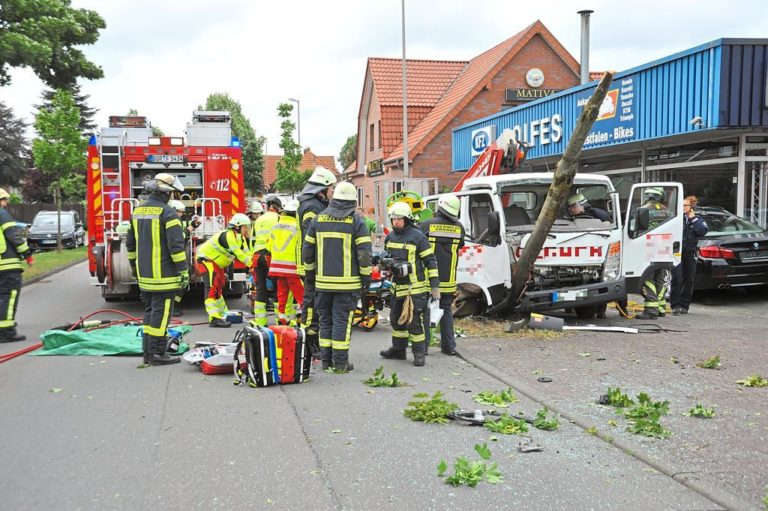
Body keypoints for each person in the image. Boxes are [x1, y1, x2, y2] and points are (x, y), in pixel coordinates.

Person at [303, 181, 372, 372]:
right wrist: (365, 278)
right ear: (353, 201)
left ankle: (326, 361)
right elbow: (364, 255)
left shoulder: (318, 220)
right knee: (341, 321)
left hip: (322, 283)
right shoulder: (357, 222)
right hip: (347, 285)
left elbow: (307, 251)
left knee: (325, 320)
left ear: (334, 198)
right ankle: (340, 363)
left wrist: (310, 275)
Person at [126, 173, 188, 365]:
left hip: (145, 276)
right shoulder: (169, 213)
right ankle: (157, 354)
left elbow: (130, 244)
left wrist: (134, 269)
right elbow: (176, 247)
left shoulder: (137, 211)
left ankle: (147, 352)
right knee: (161, 316)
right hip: (165, 278)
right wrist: (183, 271)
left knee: (150, 313)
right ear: (168, 193)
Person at [380, 201, 439, 367]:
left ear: (407, 219)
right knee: (396, 320)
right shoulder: (390, 237)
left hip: (415, 288)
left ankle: (419, 353)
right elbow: (387, 259)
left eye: (399, 219)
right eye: (393, 219)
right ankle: (398, 350)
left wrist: (434, 286)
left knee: (414, 323)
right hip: (397, 287)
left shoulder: (418, 236)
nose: (396, 222)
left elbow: (430, 261)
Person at [298, 166, 337, 358]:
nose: (332, 192)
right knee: (312, 303)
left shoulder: (314, 204)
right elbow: (310, 237)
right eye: (331, 188)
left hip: (314, 262)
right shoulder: (312, 207)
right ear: (322, 189)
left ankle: (314, 340)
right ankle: (310, 343)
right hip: (312, 263)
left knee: (315, 301)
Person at [420, 193, 465, 356]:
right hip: (448, 279)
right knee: (446, 310)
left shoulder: (426, 224)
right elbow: (460, 245)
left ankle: (423, 347)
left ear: (440, 206)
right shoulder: (459, 227)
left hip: (428, 278)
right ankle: (449, 347)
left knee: (425, 311)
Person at [195, 213, 253, 328]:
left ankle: (223, 314)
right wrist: (254, 265)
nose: (247, 229)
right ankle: (214, 318)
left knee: (219, 287)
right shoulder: (228, 236)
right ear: (237, 226)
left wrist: (254, 261)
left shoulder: (240, 238)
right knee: (212, 288)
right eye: (245, 227)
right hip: (207, 260)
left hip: (217, 263)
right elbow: (239, 254)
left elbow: (247, 253)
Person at [0, 189, 33, 343]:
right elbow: (13, 235)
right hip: (7, 265)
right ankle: (6, 332)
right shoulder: (2, 214)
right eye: (4, 200)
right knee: (8, 297)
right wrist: (27, 254)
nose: (5, 204)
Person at [267, 198, 303, 325]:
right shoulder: (297, 227)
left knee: (282, 295)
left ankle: (282, 319)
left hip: (276, 267)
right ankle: (306, 320)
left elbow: (268, 247)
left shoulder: (275, 226)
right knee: (301, 295)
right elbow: (301, 247)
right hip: (291, 268)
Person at [636, 187, 671, 320]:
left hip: (649, 248)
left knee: (648, 279)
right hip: (664, 248)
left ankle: (651, 311)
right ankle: (661, 308)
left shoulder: (643, 209)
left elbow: (636, 230)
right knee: (660, 279)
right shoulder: (667, 211)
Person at [670, 195, 708, 315]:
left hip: (690, 253)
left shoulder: (698, 219)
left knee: (689, 280)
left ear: (691, 207)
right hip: (677, 253)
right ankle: (675, 305)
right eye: (681, 205)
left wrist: (693, 218)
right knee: (677, 278)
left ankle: (684, 306)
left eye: (684, 205)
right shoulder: (677, 219)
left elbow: (702, 231)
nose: (682, 207)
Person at [250, 195, 282, 326]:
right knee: (278, 288)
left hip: (257, 256)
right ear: (277, 207)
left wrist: (252, 260)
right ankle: (279, 321)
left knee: (260, 289)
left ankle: (260, 322)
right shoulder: (279, 218)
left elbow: (252, 240)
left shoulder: (258, 220)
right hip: (271, 256)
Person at [168, 200, 194, 317]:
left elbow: (182, 226)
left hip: (171, 257)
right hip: (173, 257)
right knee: (180, 282)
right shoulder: (171, 221)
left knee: (179, 282)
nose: (182, 214)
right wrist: (188, 231)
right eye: (180, 212)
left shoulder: (173, 220)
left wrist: (193, 224)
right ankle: (172, 307)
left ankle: (173, 306)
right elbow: (178, 237)